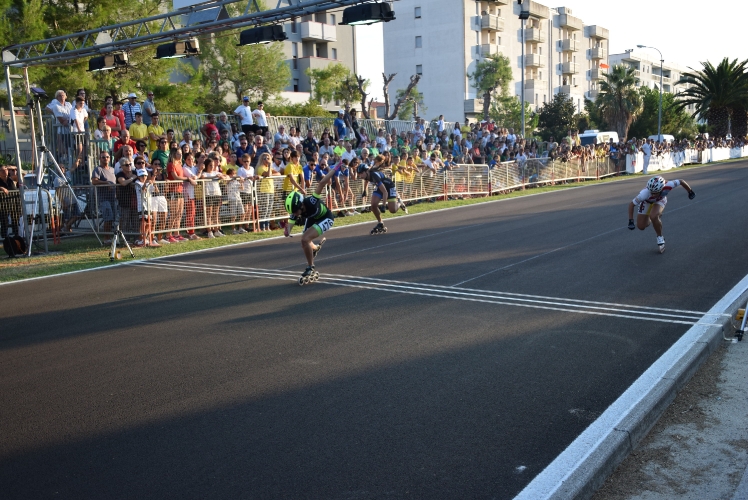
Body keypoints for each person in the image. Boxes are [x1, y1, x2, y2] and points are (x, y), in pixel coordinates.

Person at [283, 165, 340, 284]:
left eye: (295, 211)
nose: (295, 214)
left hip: (326, 218)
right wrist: (287, 231)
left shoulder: (311, 201)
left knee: (305, 239)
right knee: (304, 242)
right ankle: (315, 248)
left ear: (301, 205)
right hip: (313, 219)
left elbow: (322, 183)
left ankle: (310, 267)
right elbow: (290, 227)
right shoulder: (296, 210)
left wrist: (335, 169)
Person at [628, 175, 695, 253]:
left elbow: (681, 181)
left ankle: (660, 237)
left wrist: (690, 191)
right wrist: (631, 221)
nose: (653, 194)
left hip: (660, 200)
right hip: (646, 202)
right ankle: (652, 217)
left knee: (654, 216)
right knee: (641, 226)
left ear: (662, 189)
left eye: (655, 193)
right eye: (651, 192)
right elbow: (631, 205)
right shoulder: (644, 194)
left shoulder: (669, 185)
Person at [357, 156, 408, 234]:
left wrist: (384, 205)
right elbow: (367, 181)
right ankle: (380, 223)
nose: (360, 176)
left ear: (366, 171)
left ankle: (399, 202)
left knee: (392, 210)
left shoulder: (374, 175)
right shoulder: (366, 175)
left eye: (361, 173)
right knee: (373, 205)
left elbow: (385, 192)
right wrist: (365, 190)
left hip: (388, 186)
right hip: (380, 186)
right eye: (359, 174)